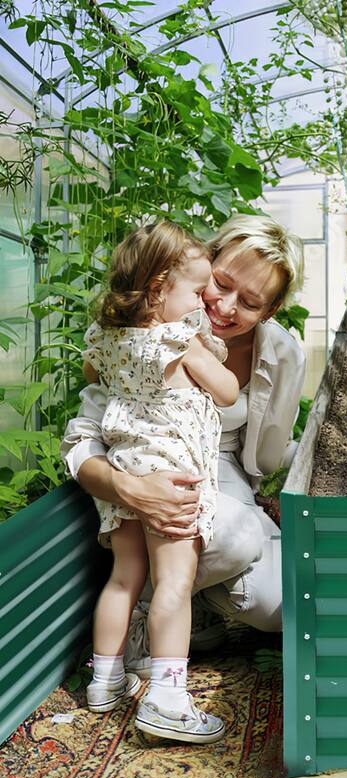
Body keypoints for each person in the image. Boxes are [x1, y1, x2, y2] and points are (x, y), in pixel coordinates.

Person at [61, 213, 306, 702]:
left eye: (251, 302)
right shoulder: (153, 323)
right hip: (146, 465)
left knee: (282, 605)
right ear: (204, 260)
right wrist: (127, 487)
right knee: (235, 537)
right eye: (220, 283)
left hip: (223, 466)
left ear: (273, 309)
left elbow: (267, 457)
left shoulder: (282, 352)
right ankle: (154, 640)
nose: (225, 307)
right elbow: (88, 430)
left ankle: (188, 611)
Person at [80, 220, 240, 742]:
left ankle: (104, 681)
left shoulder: (104, 336)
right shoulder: (178, 338)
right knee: (174, 583)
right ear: (158, 291)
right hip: (171, 478)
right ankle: (169, 701)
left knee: (125, 576)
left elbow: (91, 375)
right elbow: (228, 391)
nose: (203, 302)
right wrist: (197, 350)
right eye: (196, 291)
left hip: (126, 470)